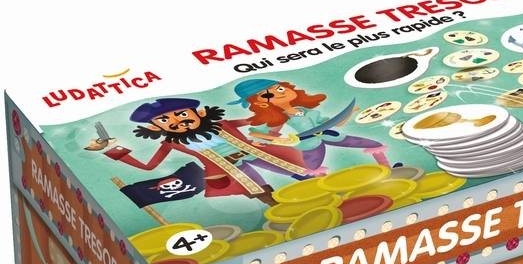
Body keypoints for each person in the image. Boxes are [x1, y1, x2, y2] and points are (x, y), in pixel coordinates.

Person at [104, 97, 311, 205]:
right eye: (165, 120)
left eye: (182, 114)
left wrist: (278, 109)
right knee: (261, 192)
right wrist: (112, 149)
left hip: (257, 152)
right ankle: (281, 209)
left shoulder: (222, 124)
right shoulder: (172, 143)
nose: (178, 122)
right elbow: (149, 166)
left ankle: (315, 190)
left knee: (298, 171)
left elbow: (252, 120)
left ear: (200, 113)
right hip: (226, 171)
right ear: (155, 127)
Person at [228, 78, 390, 172]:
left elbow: (333, 124)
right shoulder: (279, 117)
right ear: (260, 103)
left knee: (372, 144)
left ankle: (387, 169)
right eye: (269, 94)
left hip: (330, 135)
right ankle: (325, 192)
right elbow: (257, 133)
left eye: (280, 88)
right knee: (313, 167)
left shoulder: (303, 109)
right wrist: (277, 140)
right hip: (308, 143)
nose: (279, 93)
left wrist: (349, 113)